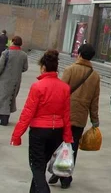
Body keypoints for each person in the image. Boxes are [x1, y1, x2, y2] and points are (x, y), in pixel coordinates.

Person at [10, 49, 73, 193]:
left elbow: (28, 112)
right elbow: (66, 115)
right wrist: (67, 137)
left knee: (37, 166)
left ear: (43, 67)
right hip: (57, 131)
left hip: (39, 131)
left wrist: (17, 135)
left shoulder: (38, 87)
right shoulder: (64, 88)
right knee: (41, 164)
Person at [48, 44, 100, 189]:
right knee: (72, 146)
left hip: (64, 115)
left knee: (58, 143)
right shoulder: (94, 76)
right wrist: (94, 119)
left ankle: (56, 172)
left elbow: (61, 92)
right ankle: (66, 177)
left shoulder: (70, 70)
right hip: (80, 117)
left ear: (79, 54)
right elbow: (95, 100)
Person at [0, 36, 28, 125]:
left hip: (4, 80)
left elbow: (0, 66)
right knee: (10, 99)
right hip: (16, 80)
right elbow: (25, 68)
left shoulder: (6, 53)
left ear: (12, 42)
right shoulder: (23, 55)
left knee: (3, 98)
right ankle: (5, 119)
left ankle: (3, 120)